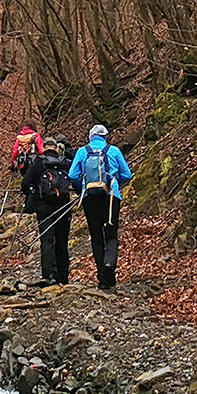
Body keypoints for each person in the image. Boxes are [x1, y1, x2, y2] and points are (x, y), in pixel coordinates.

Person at [69, 123, 132, 291]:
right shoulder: (114, 151)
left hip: (90, 197)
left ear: (90, 137)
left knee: (96, 236)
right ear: (105, 137)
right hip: (111, 197)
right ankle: (109, 266)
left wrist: (80, 188)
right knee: (111, 235)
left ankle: (102, 277)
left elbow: (72, 175)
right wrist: (118, 184)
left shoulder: (83, 152)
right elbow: (127, 174)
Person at [19, 134, 74, 286]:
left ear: (44, 148)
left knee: (47, 240)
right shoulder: (64, 163)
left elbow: (25, 183)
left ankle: (49, 275)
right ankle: (63, 275)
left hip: (44, 206)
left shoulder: (38, 162)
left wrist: (32, 196)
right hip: (64, 205)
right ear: (57, 148)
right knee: (62, 241)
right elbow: (74, 178)